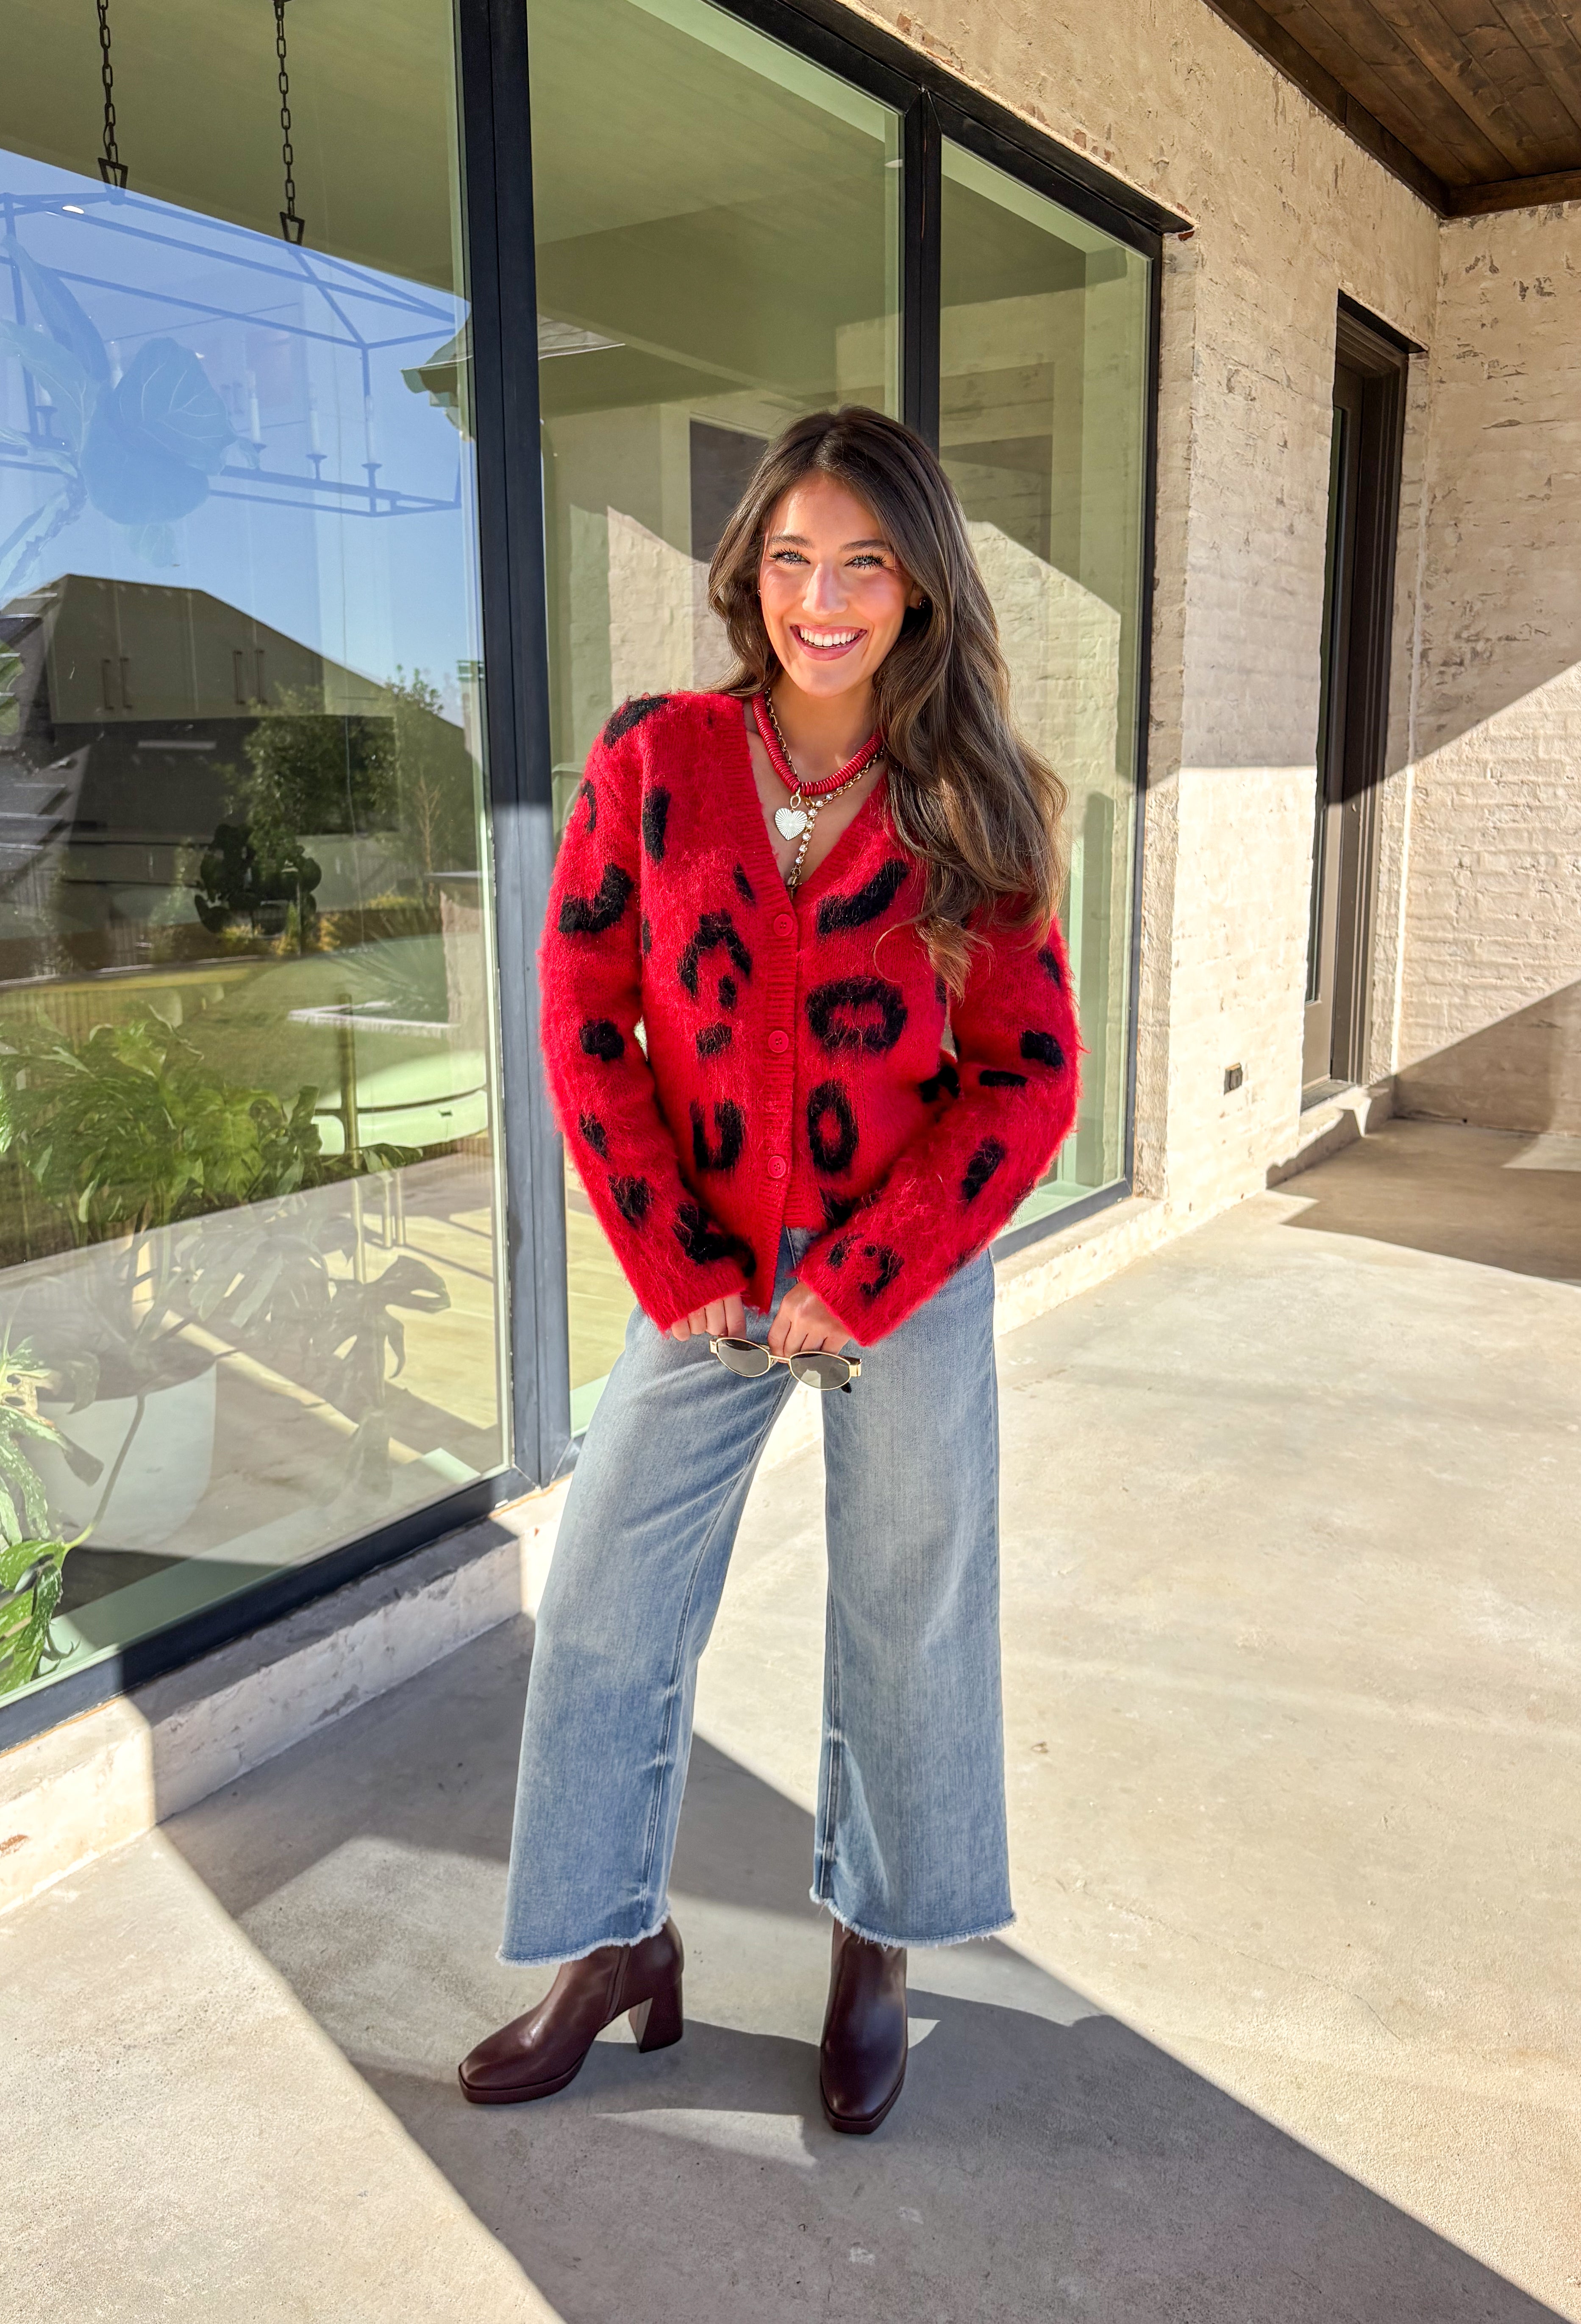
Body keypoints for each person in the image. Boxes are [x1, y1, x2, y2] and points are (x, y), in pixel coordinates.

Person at [460, 405, 1080, 2135]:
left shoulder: (975, 799)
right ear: (752, 575)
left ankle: (872, 1947)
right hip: (706, 1280)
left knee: (908, 1615)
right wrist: (676, 1258)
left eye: (865, 563)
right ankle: (608, 1947)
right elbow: (585, 1018)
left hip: (905, 1273)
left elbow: (1029, 1079)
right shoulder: (653, 764)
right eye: (795, 558)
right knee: (600, 1609)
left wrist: (869, 1271)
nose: (825, 595)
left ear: (917, 588)